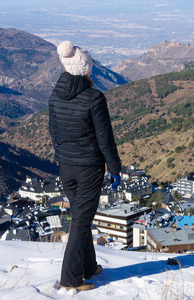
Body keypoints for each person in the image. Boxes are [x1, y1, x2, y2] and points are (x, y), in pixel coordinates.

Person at [49, 41, 122, 291]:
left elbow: (53, 132)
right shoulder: (94, 98)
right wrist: (114, 168)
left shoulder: (55, 95)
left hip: (66, 166)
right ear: (85, 68)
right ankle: (70, 278)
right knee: (80, 221)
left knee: (82, 217)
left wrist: (63, 155)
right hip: (89, 168)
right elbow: (105, 138)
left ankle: (89, 266)